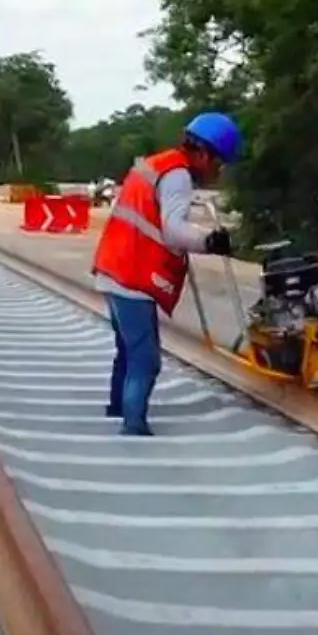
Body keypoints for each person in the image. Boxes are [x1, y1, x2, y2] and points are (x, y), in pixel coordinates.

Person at [91, 112, 241, 436]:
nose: (219, 171)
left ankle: (118, 406)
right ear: (203, 153)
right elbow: (173, 231)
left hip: (113, 267)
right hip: (132, 274)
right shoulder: (177, 176)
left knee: (127, 349)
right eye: (219, 162)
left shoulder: (158, 165)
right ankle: (133, 426)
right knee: (145, 359)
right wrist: (209, 241)